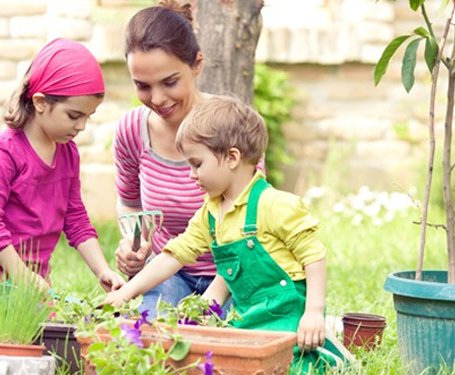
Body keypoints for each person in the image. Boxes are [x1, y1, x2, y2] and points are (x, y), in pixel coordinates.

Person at [105, 96, 349, 374]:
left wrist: (314, 313)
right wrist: (126, 293)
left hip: (289, 318)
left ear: (232, 157)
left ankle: (328, 348)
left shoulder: (274, 204)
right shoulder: (210, 213)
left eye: (197, 164)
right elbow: (174, 257)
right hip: (250, 319)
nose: (191, 175)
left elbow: (314, 256)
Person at [114, 0, 264, 318]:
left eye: (170, 82)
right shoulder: (131, 130)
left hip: (233, 275)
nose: (157, 99)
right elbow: (129, 202)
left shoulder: (230, 126)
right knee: (150, 334)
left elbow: (252, 224)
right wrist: (135, 244)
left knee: (234, 341)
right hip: (169, 272)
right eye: (142, 86)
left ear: (197, 64)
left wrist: (208, 305)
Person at [0, 38, 124, 293]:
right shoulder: (2, 154)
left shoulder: (68, 153)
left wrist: (103, 270)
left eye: (88, 117)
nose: (81, 126)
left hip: (32, 282)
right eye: (74, 115)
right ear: (40, 102)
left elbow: (76, 218)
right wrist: (22, 276)